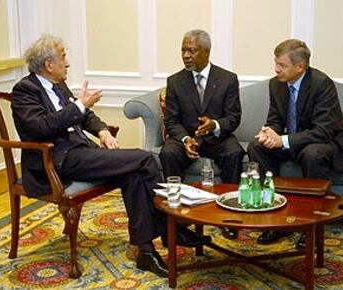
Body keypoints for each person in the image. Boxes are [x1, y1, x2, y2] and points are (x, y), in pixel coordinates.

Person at [11, 35, 202, 278]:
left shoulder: (59, 86)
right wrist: (79, 106)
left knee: (134, 173)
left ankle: (145, 251)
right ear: (49, 64)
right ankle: (169, 227)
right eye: (64, 58)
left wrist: (101, 130)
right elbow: (41, 127)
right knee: (144, 159)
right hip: (57, 160)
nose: (68, 64)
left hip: (82, 152)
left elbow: (85, 116)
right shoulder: (25, 90)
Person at [247, 39, 343, 247]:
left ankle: (311, 225)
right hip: (299, 140)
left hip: (328, 143)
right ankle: (275, 219)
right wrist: (269, 133)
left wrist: (283, 140)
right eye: (275, 63)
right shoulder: (275, 84)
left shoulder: (322, 84)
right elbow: (275, 120)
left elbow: (322, 131)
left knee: (312, 153)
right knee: (256, 147)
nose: (276, 69)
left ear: (300, 67)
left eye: (282, 65)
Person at [159, 29, 245, 240]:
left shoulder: (227, 79)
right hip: (186, 138)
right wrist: (187, 139)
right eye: (183, 50)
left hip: (217, 138)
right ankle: (176, 218)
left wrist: (214, 124)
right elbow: (171, 121)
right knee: (168, 153)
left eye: (192, 50)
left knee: (234, 152)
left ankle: (229, 215)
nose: (186, 55)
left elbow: (233, 117)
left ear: (206, 52)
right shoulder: (175, 81)